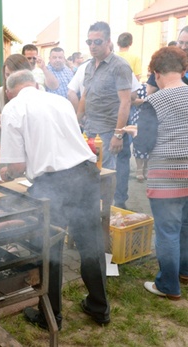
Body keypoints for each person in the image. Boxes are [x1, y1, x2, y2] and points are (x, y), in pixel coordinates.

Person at [0, 69, 110, 330]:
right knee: (91, 244)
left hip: (53, 185)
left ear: (9, 92)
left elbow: (16, 165)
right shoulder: (60, 100)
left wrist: (6, 171)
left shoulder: (13, 108)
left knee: (50, 251)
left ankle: (51, 318)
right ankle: (99, 308)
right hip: (85, 175)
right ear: (36, 84)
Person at [123, 46, 188, 301]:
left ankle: (169, 285)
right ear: (183, 70)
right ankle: (184, 271)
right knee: (186, 227)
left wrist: (135, 134)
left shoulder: (154, 101)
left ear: (156, 73)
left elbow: (144, 145)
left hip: (167, 176)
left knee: (168, 231)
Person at [77, 21, 133, 209]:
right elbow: (85, 95)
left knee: (108, 175)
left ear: (108, 41)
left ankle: (109, 213)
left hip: (109, 132)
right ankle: (95, 211)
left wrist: (119, 134)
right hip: (90, 129)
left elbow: (126, 101)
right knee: (90, 173)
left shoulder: (120, 66)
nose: (92, 46)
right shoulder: (89, 66)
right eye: (89, 42)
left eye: (97, 41)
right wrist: (76, 122)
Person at [146, 26, 188, 95]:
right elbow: (150, 92)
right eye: (181, 42)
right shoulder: (164, 61)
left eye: (187, 43)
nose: (183, 47)